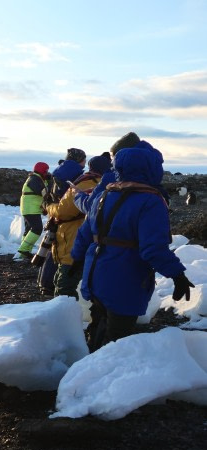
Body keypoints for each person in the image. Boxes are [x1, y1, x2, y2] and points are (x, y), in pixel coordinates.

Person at [68, 144, 193, 351]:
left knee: (99, 322)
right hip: (124, 277)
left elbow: (85, 233)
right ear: (150, 169)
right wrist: (177, 275)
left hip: (95, 273)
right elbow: (153, 248)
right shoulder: (150, 201)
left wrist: (77, 259)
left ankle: (86, 366)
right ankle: (100, 378)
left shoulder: (103, 195)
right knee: (118, 339)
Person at [47, 153, 110, 297]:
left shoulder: (82, 184)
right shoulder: (107, 186)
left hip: (73, 238)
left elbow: (63, 211)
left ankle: (66, 316)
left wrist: (49, 206)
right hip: (94, 240)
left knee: (64, 286)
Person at [14, 162, 51, 261]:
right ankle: (24, 250)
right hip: (31, 209)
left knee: (29, 229)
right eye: (46, 171)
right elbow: (43, 192)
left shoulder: (35, 178)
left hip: (29, 208)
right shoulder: (34, 179)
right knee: (37, 228)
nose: (47, 173)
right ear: (42, 170)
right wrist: (51, 183)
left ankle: (23, 253)